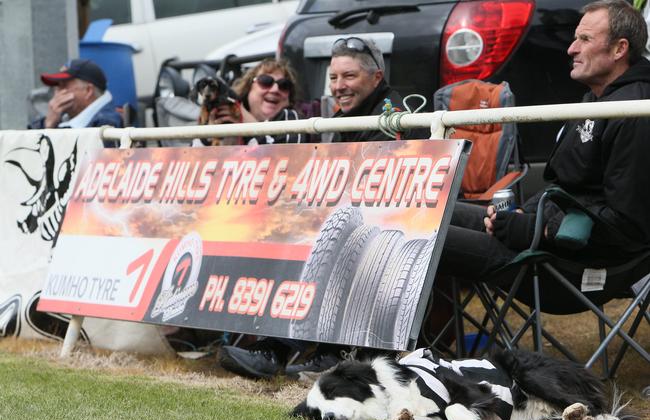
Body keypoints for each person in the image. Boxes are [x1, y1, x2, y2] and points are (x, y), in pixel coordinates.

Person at [218, 38, 426, 381]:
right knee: (289, 227)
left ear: (376, 78)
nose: (339, 87)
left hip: (399, 234)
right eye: (333, 78)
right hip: (353, 222)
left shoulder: (396, 114)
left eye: (349, 76)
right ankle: (274, 347)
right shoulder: (345, 116)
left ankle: (320, 352)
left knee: (328, 236)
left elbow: (391, 194)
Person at [437, 0, 650, 283]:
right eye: (575, 38)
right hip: (549, 235)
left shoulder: (635, 110)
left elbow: (627, 226)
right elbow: (565, 184)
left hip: (581, 262)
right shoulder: (597, 99)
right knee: (427, 216)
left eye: (584, 39)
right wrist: (525, 212)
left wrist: (535, 229)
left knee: (418, 241)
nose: (571, 48)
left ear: (619, 49)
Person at [198, 57, 303, 145]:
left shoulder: (291, 119)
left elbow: (286, 159)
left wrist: (243, 118)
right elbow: (191, 159)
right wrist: (209, 135)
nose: (275, 89)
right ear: (248, 88)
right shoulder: (224, 112)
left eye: (284, 85)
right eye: (265, 81)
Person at [28, 58, 123, 130]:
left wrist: (48, 129)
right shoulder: (62, 116)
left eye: (63, 86)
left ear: (88, 91)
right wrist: (48, 123)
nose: (57, 92)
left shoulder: (106, 124)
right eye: (57, 87)